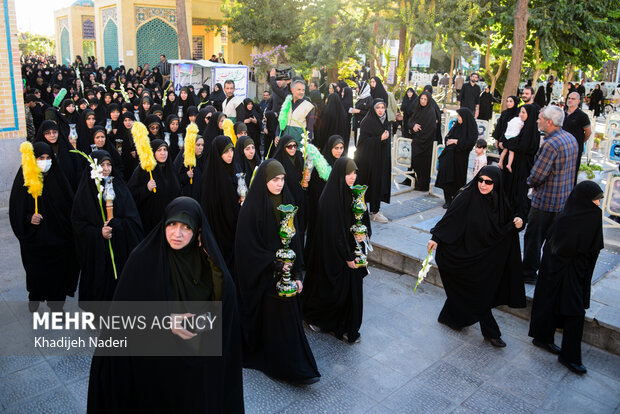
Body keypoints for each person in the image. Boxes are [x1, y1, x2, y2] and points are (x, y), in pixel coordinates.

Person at [87, 197, 245, 413]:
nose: (177, 234)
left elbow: (224, 307)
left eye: (186, 227)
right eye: (172, 224)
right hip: (157, 365)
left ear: (199, 231)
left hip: (197, 361)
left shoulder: (206, 262)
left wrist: (214, 266)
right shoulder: (142, 260)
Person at [234, 160, 320, 384]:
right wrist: (273, 262)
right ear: (264, 180)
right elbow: (246, 247)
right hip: (264, 277)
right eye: (274, 180)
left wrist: (298, 272)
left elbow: (295, 240)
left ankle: (297, 367)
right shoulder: (252, 207)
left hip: (287, 273)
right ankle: (286, 367)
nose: (279, 184)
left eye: (282, 179)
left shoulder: (288, 200)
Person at [428, 165, 526, 347]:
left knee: (476, 291)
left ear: (496, 183)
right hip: (464, 252)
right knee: (478, 292)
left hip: (486, 255)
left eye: (488, 182)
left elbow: (513, 217)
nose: (483, 185)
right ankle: (491, 332)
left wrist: (520, 220)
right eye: (480, 180)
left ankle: (451, 317)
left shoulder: (501, 200)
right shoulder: (467, 196)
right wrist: (436, 238)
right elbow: (451, 218)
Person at [528, 181, 604, 375]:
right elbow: (557, 247)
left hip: (571, 271)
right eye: (596, 200)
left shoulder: (584, 215)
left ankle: (544, 338)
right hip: (562, 271)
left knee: (558, 306)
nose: (598, 204)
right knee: (574, 313)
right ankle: (568, 355)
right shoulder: (573, 217)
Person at [303, 157, 369, 343]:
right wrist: (347, 257)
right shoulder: (330, 198)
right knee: (332, 291)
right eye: (348, 173)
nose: (352, 177)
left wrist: (363, 235)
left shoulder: (353, 194)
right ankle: (324, 321)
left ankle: (347, 326)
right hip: (332, 255)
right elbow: (333, 233)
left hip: (349, 251)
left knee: (351, 289)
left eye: (355, 173)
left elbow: (361, 221)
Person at [9, 142, 79, 312]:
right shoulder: (24, 178)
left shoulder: (58, 178)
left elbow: (69, 205)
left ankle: (57, 306)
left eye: (48, 158)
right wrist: (28, 217)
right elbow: (16, 208)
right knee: (36, 273)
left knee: (59, 274)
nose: (45, 161)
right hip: (36, 239)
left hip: (59, 238)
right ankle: (35, 296)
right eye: (41, 158)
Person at [71, 150, 143, 313]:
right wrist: (98, 233)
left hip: (119, 248)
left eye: (108, 164)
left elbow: (133, 220)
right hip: (97, 253)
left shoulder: (120, 188)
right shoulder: (86, 192)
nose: (106, 168)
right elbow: (78, 224)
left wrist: (118, 224)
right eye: (101, 165)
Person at [522, 106, 579, 284]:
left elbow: (538, 176)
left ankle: (529, 273)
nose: (537, 121)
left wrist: (529, 183)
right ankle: (548, 272)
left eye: (540, 118)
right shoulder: (570, 138)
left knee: (533, 239)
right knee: (553, 242)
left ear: (549, 122)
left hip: (545, 202)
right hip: (563, 201)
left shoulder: (550, 144)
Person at [200, 135, 241, 273]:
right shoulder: (212, 175)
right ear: (218, 153)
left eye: (232, 150)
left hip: (233, 227)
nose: (230, 155)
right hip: (219, 228)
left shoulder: (234, 169)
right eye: (226, 152)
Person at [128, 139, 181, 235]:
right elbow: (131, 195)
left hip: (170, 219)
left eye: (165, 150)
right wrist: (146, 189)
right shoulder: (144, 170)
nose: (163, 153)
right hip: (151, 221)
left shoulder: (171, 169)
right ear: (153, 152)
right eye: (159, 150)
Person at [499, 103, 540, 219]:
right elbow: (507, 139)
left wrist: (508, 144)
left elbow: (522, 146)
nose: (520, 115)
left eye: (523, 112)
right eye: (520, 112)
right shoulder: (520, 125)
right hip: (513, 164)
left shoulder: (532, 131)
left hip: (522, 166)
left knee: (519, 189)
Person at [306, 135, 344, 257]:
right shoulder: (320, 166)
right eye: (336, 148)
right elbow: (315, 191)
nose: (339, 151)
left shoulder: (342, 164)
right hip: (321, 210)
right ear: (330, 148)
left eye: (341, 148)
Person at [355, 99, 391, 223]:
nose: (381, 110)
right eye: (378, 108)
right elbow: (362, 144)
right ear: (373, 109)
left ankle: (375, 211)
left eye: (382, 107)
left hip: (380, 160)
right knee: (368, 184)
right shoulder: (367, 122)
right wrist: (379, 139)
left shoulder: (386, 121)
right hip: (368, 161)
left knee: (378, 183)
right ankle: (362, 210)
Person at [435, 108, 478, 208]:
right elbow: (447, 137)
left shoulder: (470, 129)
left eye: (459, 116)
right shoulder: (456, 126)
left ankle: (455, 200)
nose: (458, 118)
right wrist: (449, 141)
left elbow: (469, 142)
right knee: (446, 176)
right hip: (449, 157)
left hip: (460, 159)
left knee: (457, 179)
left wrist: (456, 141)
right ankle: (447, 199)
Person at [404, 91, 439, 191]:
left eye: (425, 99)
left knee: (424, 165)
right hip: (417, 142)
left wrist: (418, 135)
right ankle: (417, 183)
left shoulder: (431, 111)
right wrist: (413, 126)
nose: (423, 101)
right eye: (421, 99)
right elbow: (410, 121)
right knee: (416, 162)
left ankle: (423, 185)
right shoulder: (418, 109)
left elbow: (430, 129)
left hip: (426, 144)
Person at [563, 92, 592, 184]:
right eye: (569, 98)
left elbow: (588, 132)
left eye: (573, 99)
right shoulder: (562, 113)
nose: (570, 100)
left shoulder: (582, 116)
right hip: (562, 148)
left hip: (574, 150)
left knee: (572, 174)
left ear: (578, 101)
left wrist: (580, 142)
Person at [279, 79, 315, 145]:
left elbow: (310, 129)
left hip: (299, 145)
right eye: (299, 89)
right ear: (292, 90)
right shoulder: (287, 103)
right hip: (285, 143)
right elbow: (281, 121)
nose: (301, 92)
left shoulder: (309, 106)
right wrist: (277, 135)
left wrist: (308, 145)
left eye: (303, 90)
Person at [174, 135, 207, 201]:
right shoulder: (184, 159)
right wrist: (186, 175)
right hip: (186, 197)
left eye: (202, 145)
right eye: (198, 145)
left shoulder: (202, 158)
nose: (201, 148)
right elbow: (175, 178)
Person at [498, 106, 527, 173]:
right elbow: (522, 128)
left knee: (504, 151)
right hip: (513, 137)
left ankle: (500, 162)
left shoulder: (514, 118)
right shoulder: (521, 122)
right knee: (511, 152)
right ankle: (509, 164)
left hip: (506, 135)